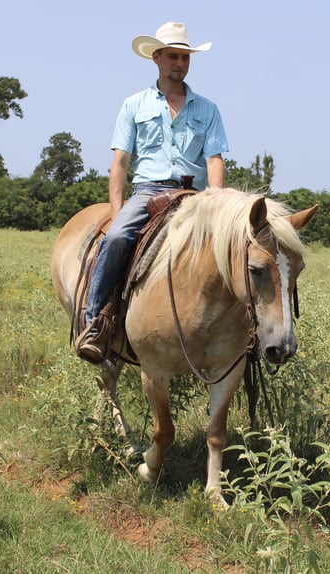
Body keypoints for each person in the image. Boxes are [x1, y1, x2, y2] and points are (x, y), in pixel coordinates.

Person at [75, 21, 229, 363]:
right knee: (116, 238)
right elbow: (120, 163)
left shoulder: (208, 109)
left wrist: (217, 203)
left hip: (195, 196)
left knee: (232, 247)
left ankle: (242, 332)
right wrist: (117, 211)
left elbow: (215, 160)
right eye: (173, 56)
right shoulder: (134, 105)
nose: (180, 63)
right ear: (156, 58)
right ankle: (95, 321)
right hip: (148, 192)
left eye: (185, 57)